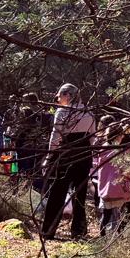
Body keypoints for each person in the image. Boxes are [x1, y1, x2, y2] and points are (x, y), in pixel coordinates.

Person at [42, 83, 97, 239]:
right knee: (80, 194)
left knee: (57, 193)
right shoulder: (88, 113)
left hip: (66, 155)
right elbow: (93, 138)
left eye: (60, 96)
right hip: (84, 155)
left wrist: (49, 157)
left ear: (68, 95)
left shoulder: (62, 112)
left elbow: (55, 138)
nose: (58, 99)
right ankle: (78, 232)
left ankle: (48, 231)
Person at [94, 121, 130, 236]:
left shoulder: (103, 149)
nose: (123, 137)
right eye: (122, 135)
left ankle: (102, 235)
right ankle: (119, 231)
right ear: (118, 136)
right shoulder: (118, 152)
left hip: (105, 188)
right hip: (119, 187)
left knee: (106, 214)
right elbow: (125, 170)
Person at [12, 94, 48, 190]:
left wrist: (14, 137)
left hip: (26, 148)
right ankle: (37, 189)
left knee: (25, 169)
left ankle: (25, 189)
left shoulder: (27, 113)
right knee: (36, 170)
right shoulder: (42, 113)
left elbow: (19, 132)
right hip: (38, 147)